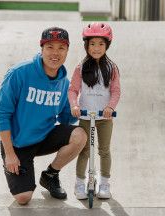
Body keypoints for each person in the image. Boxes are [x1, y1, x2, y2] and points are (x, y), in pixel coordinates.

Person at [0, 27, 87, 205]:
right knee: (23, 198)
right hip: (17, 143)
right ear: (42, 49)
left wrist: (80, 105)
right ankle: (19, 167)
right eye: (50, 47)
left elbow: (66, 119)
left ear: (67, 51)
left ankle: (50, 175)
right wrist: (10, 154)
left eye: (61, 48)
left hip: (44, 137)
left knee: (79, 135)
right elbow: (1, 114)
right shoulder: (19, 73)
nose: (55, 53)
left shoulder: (64, 84)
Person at [68, 22, 121, 199]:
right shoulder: (80, 67)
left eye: (101, 44)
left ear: (107, 45)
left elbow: (115, 91)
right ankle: (79, 183)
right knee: (84, 151)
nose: (96, 48)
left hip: (104, 118)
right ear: (86, 45)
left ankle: (104, 183)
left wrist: (109, 107)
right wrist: (74, 105)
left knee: (104, 150)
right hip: (85, 116)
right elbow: (73, 90)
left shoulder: (111, 68)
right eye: (92, 44)